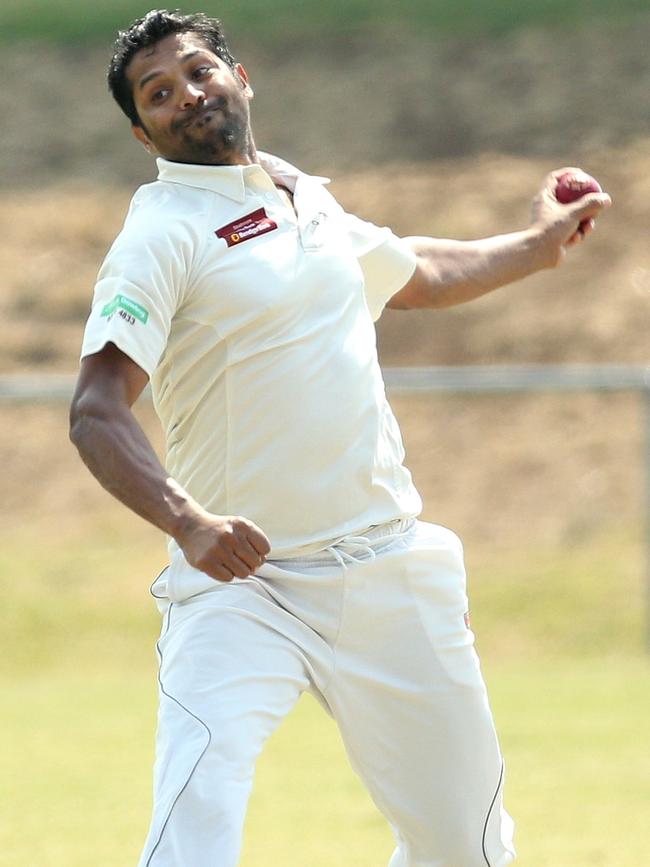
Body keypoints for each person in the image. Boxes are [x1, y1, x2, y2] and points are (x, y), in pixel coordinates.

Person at [69, 9, 610, 867]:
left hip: (388, 567)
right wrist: (188, 523)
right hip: (243, 587)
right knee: (192, 832)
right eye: (159, 94)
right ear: (145, 134)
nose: (188, 96)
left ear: (241, 79)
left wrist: (539, 245)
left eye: (200, 72)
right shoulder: (159, 235)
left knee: (465, 850)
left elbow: (416, 272)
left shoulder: (300, 194)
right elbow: (96, 409)